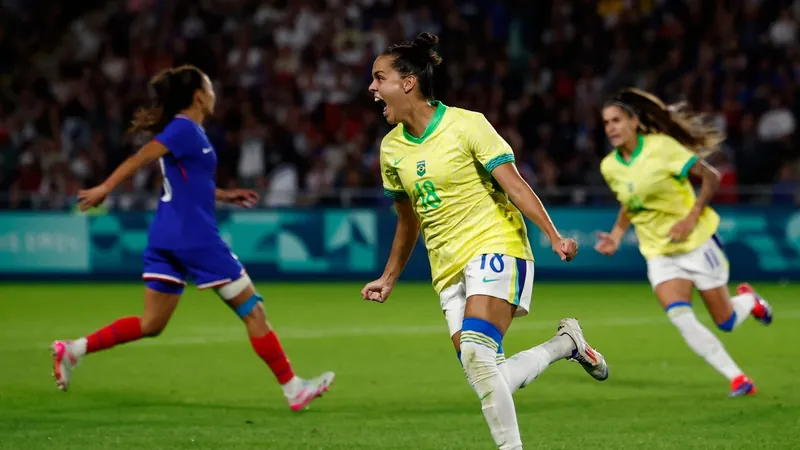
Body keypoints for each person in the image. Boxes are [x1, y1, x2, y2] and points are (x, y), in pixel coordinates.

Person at [361, 33, 609, 450]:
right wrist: (389, 277)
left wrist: (553, 235)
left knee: (478, 357)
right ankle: (566, 343)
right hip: (447, 270)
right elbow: (408, 221)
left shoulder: (467, 124)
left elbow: (514, 185)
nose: (371, 87)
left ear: (407, 83)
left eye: (378, 77)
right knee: (486, 373)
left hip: (496, 246)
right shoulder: (391, 150)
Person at [51, 65, 334, 411]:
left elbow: (191, 185)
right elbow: (144, 155)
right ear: (199, 95)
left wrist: (225, 195)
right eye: (210, 86)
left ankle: (74, 349)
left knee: (151, 323)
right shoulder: (184, 129)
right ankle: (294, 390)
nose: (214, 93)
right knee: (253, 311)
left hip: (165, 236)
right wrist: (106, 188)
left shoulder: (192, 133)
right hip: (194, 238)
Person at [595, 88, 773, 397]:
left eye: (616, 120)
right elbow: (630, 202)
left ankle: (750, 302)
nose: (611, 127)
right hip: (659, 253)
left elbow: (711, 177)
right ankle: (738, 378)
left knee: (726, 321)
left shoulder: (662, 147)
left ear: (634, 122)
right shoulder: (609, 166)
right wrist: (616, 235)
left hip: (696, 243)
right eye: (606, 122)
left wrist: (691, 217)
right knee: (681, 318)